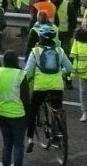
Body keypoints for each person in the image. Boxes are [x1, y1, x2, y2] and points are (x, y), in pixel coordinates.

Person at [24, 24, 73, 154]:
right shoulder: (59, 51)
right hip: (57, 86)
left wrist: (28, 79)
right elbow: (69, 68)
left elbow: (28, 71)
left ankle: (30, 138)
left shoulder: (36, 51)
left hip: (40, 87)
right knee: (57, 108)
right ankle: (58, 133)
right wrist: (61, 73)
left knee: (32, 110)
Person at [0, 51, 31, 166]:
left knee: (7, 144)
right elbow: (25, 98)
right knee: (18, 145)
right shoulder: (20, 75)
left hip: (2, 112)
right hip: (17, 114)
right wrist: (29, 116)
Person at [70, 16, 87, 122]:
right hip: (82, 70)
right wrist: (72, 70)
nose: (86, 27)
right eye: (85, 24)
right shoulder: (78, 36)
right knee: (82, 92)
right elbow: (74, 54)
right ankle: (84, 112)